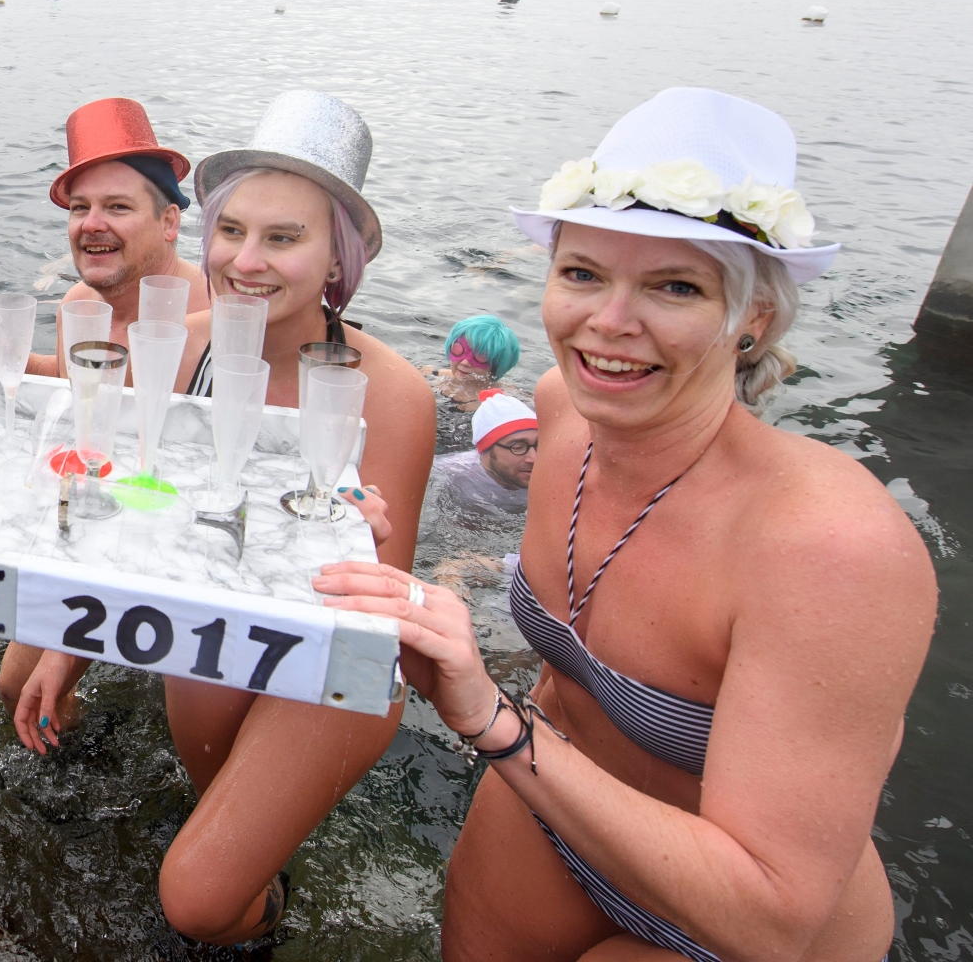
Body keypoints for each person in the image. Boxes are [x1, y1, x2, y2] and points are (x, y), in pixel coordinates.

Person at [313, 87, 935, 961]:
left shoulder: (832, 548)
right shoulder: (562, 412)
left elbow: (773, 911)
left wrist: (491, 719)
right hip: (551, 801)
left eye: (674, 286)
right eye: (582, 274)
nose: (608, 323)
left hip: (737, 920)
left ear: (752, 317)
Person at [3, 90, 436, 947]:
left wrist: (357, 538)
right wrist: (70, 644)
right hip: (213, 621)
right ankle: (237, 839)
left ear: (338, 257)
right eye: (232, 231)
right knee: (201, 794)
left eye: (285, 238)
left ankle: (264, 915)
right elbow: (130, 516)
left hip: (324, 656)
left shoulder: (390, 394)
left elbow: (380, 630)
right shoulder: (185, 347)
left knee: (198, 899)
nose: (248, 260)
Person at [24, 97, 208, 378]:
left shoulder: (224, 314)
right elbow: (76, 383)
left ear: (169, 222)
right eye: (80, 208)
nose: (91, 224)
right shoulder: (78, 306)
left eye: (118, 206)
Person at [431, 390, 537, 518]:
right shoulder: (447, 472)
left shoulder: (553, 474)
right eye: (518, 447)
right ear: (486, 451)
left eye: (538, 445)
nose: (534, 458)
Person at [426, 314, 522, 411]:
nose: (465, 362)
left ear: (497, 365)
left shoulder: (499, 401)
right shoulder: (434, 375)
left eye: (481, 356)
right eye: (458, 349)